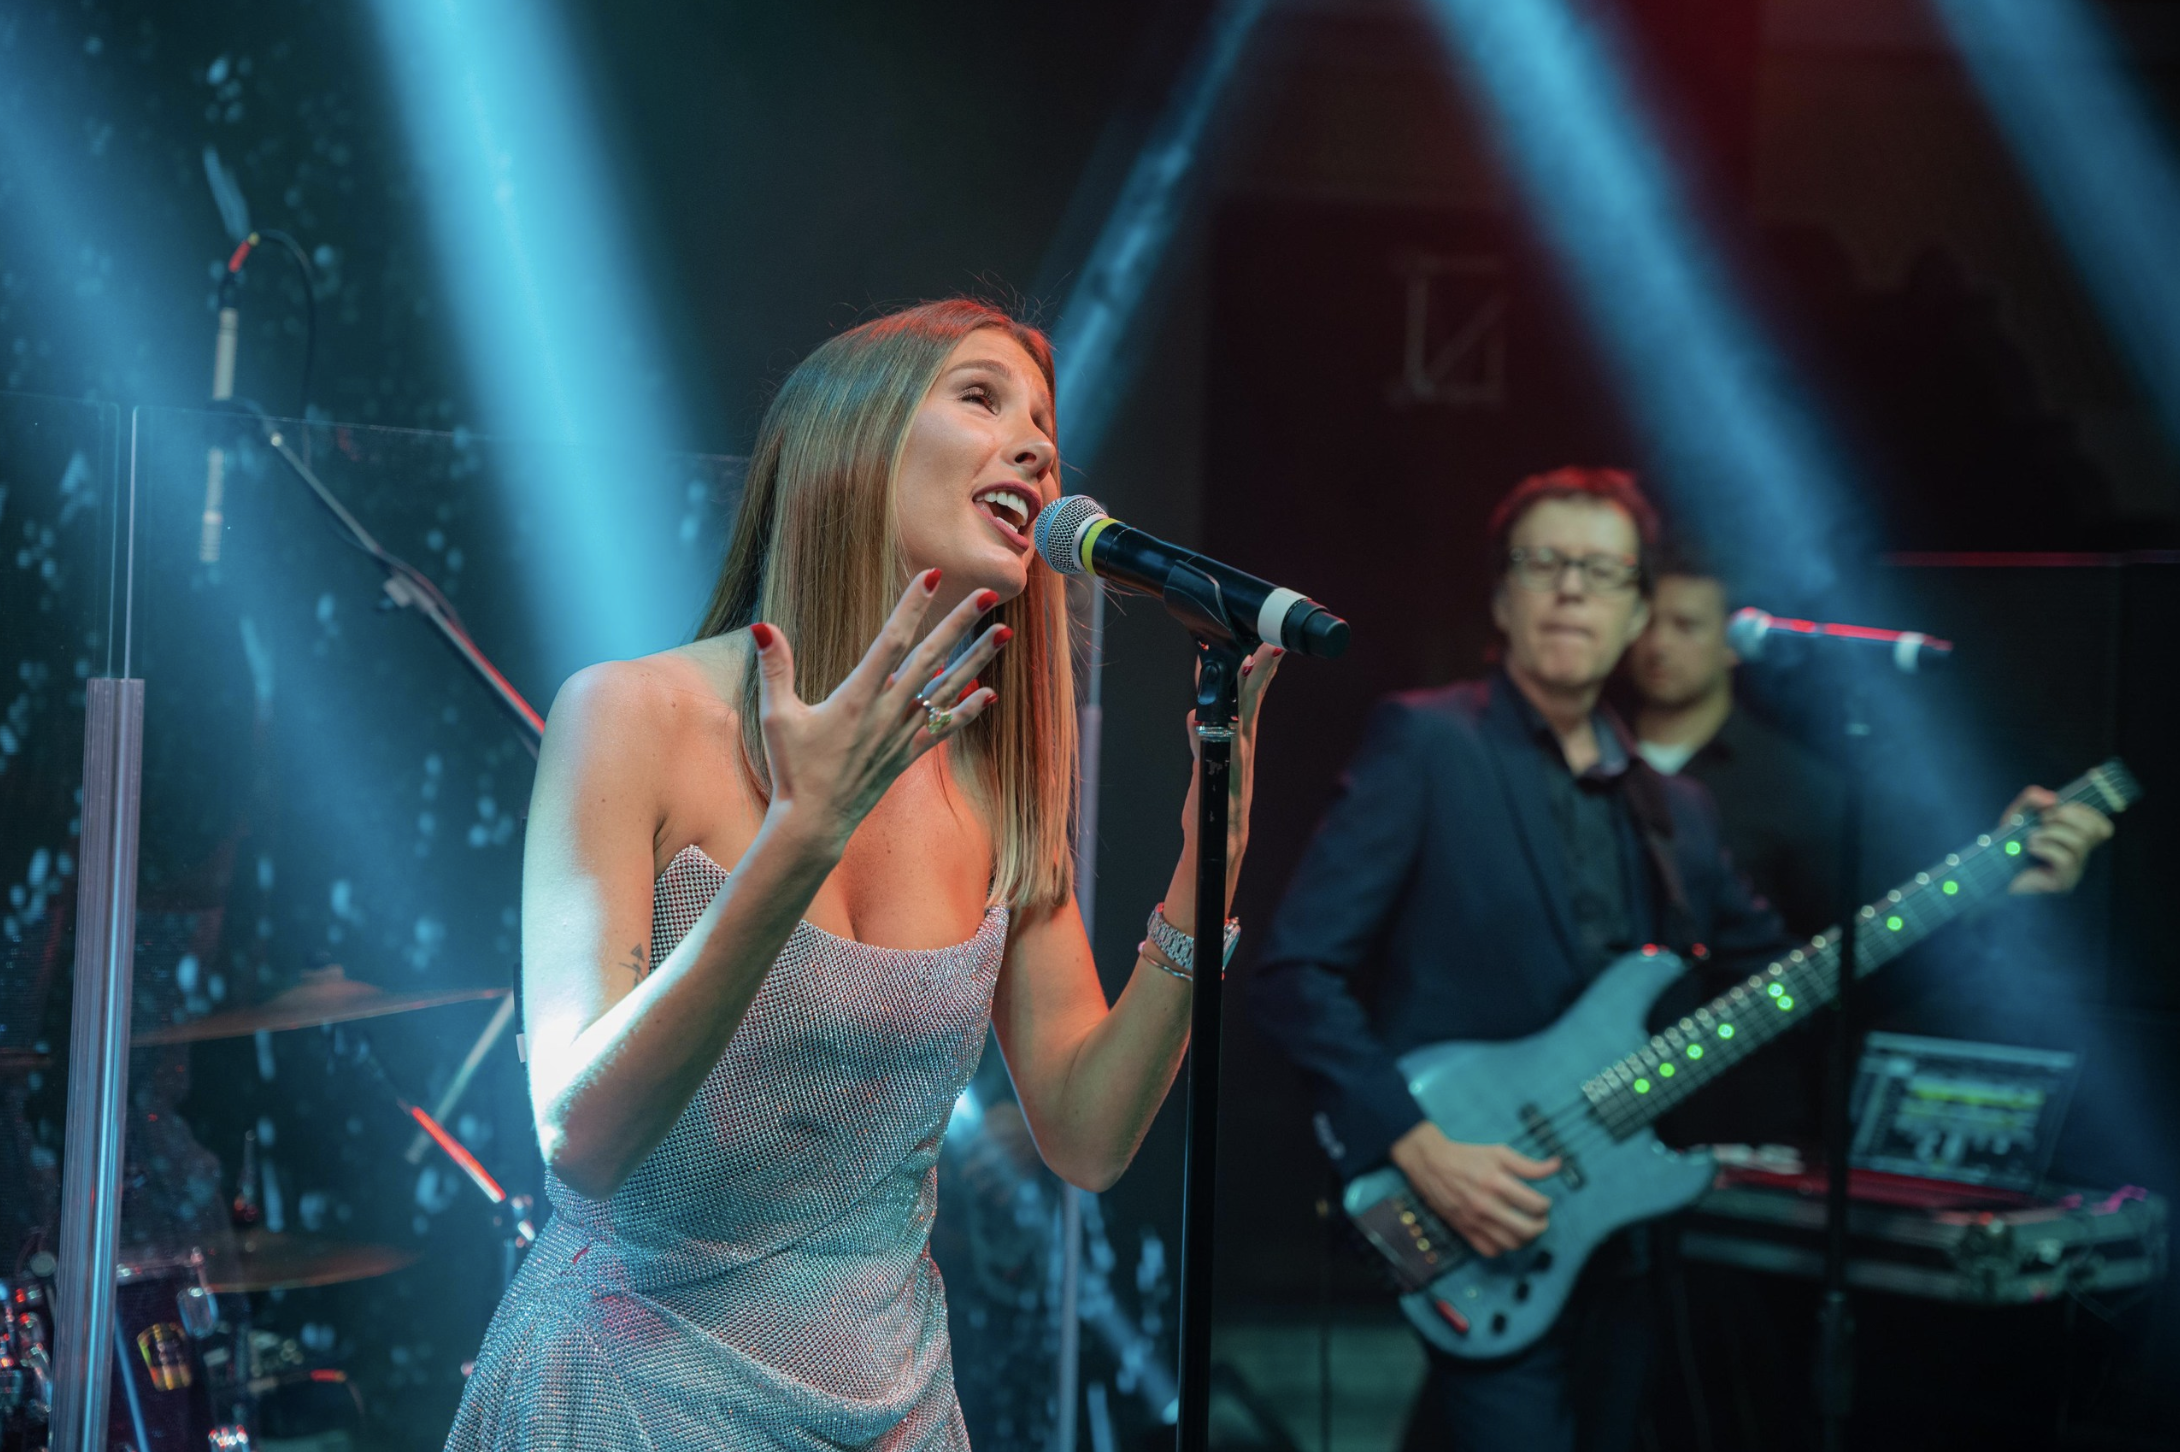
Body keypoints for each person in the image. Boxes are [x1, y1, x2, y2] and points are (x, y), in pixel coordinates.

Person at [444, 299, 1282, 1451]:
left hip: (894, 1412)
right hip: (627, 1398)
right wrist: (800, 840)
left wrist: (1207, 871)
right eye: (981, 398)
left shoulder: (994, 776)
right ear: (854, 439)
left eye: (1044, 425)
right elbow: (579, 1137)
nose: (1037, 449)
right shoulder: (630, 715)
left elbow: (1087, 1133)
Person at [1248, 467, 2111, 1452]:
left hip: (1625, 1236)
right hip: (1467, 1197)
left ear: (1636, 614)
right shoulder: (1428, 741)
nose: (1571, 589)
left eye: (1602, 570)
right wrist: (1415, 1143)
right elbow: (1296, 974)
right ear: (1500, 596)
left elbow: (1803, 987)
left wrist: (1986, 897)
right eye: (1544, 562)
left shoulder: (1679, 812)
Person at [1624, 539, 1841, 938]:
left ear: (1734, 644)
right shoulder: (1588, 749)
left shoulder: (1797, 785)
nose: (1658, 645)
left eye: (1686, 626)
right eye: (1647, 622)